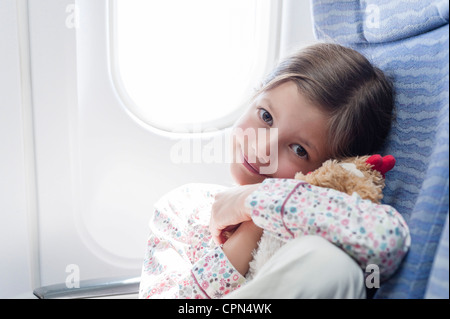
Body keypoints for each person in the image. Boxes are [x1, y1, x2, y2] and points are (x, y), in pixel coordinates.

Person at [138, 43, 410, 299]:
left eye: (299, 150)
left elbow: (387, 241)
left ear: (331, 168)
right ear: (256, 94)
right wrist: (244, 239)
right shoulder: (183, 207)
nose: (261, 150)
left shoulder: (323, 220)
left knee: (333, 264)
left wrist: (256, 203)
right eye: (266, 116)